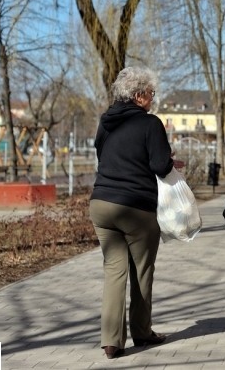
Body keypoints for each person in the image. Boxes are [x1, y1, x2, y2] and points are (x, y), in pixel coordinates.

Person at [89, 67, 184, 360]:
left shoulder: (106, 122)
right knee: (141, 270)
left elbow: (103, 155)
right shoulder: (150, 123)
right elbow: (159, 165)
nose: (153, 99)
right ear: (139, 95)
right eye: (151, 94)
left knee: (114, 272)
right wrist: (170, 162)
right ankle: (142, 332)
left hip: (101, 203)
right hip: (135, 206)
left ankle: (111, 342)